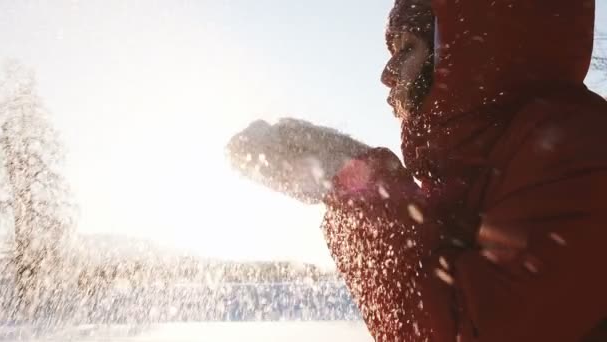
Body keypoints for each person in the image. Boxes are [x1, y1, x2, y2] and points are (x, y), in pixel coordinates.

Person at [227, 0, 607, 340]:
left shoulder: (577, 150)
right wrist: (343, 166)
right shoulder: (481, 177)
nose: (387, 74)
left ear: (464, 52)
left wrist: (355, 177)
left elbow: (465, 330)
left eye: (406, 47)